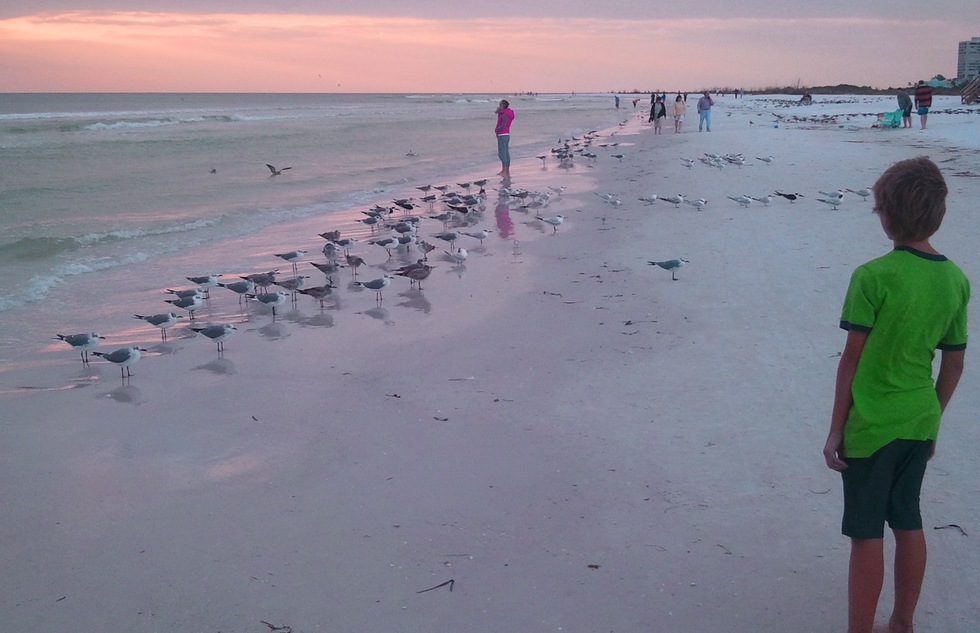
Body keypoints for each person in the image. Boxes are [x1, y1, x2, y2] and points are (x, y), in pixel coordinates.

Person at [823, 156, 969, 633]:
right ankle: (902, 621)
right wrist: (933, 419)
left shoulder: (873, 276)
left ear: (884, 214)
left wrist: (835, 430)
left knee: (866, 535)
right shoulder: (955, 280)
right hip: (919, 417)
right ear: (938, 213)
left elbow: (851, 359)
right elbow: (954, 360)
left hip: (871, 423)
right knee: (908, 520)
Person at [494, 99, 515, 178]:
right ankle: (506, 170)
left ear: (503, 106)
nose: (499, 106)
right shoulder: (505, 113)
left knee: (502, 153)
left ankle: (504, 170)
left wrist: (496, 129)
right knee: (506, 152)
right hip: (506, 134)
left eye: (500, 105)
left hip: (502, 134)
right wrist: (498, 111)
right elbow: (496, 112)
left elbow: (503, 125)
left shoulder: (505, 114)